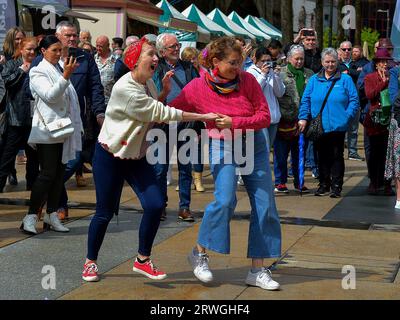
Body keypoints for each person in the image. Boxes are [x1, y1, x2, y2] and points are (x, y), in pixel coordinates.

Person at [81, 37, 217, 282]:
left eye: (156, 54)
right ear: (134, 61)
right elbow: (162, 114)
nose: (156, 59)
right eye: (150, 54)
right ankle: (90, 262)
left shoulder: (147, 84)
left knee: (155, 205)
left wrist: (163, 91)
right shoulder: (127, 89)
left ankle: (142, 259)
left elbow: (154, 110)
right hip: (111, 156)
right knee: (104, 212)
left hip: (136, 156)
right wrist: (205, 116)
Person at [169, 36, 282, 291]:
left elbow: (264, 116)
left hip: (254, 143)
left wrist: (234, 122)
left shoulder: (248, 80)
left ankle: (257, 269)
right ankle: (199, 253)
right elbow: (171, 111)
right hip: (223, 144)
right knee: (225, 200)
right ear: (216, 62)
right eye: (232, 63)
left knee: (265, 205)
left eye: (240, 62)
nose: (238, 68)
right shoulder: (197, 87)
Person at [28, 21, 106, 221]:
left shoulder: (84, 57)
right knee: (54, 169)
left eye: (75, 35)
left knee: (71, 162)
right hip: (53, 125)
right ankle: (55, 206)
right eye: (68, 35)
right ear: (57, 36)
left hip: (79, 121)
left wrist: (99, 113)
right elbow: (39, 94)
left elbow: (95, 88)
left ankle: (48, 203)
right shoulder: (42, 63)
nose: (72, 39)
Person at [20, 35, 83, 234]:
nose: (58, 54)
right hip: (47, 129)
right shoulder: (38, 71)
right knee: (47, 173)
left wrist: (64, 75)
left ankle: (52, 213)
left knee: (58, 175)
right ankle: (30, 216)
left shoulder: (59, 68)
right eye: (54, 50)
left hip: (64, 128)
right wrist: (65, 76)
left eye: (60, 50)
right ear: (43, 51)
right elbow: (50, 96)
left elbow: (70, 100)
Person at [298, 48, 359, 198]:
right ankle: (323, 183)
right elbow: (305, 100)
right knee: (321, 155)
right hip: (319, 125)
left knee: (337, 155)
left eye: (333, 61)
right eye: (327, 62)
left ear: (337, 62)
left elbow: (354, 100)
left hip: (338, 125)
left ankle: (336, 186)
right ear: (322, 62)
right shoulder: (313, 80)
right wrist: (303, 117)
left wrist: (347, 116)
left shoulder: (345, 80)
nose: (330, 65)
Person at [153, 33, 200, 222]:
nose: (177, 49)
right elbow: (154, 96)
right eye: (172, 46)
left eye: (178, 45)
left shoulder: (189, 67)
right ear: (162, 51)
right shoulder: (156, 68)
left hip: (186, 124)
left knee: (185, 168)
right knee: (159, 169)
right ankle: (160, 206)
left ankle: (184, 207)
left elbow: (198, 91)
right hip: (163, 124)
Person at [0, 37, 40, 193]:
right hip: (15, 119)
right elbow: (8, 83)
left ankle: (32, 187)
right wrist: (21, 71)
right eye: (28, 49)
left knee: (33, 157)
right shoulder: (12, 64)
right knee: (7, 156)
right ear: (21, 49)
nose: (31, 52)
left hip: (34, 119)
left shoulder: (38, 65)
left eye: (34, 49)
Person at [274, 45, 313, 193]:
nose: (299, 62)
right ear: (289, 58)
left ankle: (300, 181)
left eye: (301, 59)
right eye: (296, 59)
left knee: (299, 154)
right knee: (281, 154)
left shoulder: (309, 74)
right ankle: (280, 182)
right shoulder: (281, 73)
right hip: (284, 120)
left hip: (303, 120)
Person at [363, 48, 394, 196]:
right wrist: (383, 83)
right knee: (374, 153)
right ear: (376, 64)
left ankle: (387, 184)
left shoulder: (393, 76)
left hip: (389, 119)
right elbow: (370, 95)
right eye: (381, 62)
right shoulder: (370, 77)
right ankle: (374, 182)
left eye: (386, 61)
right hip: (374, 119)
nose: (384, 64)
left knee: (388, 154)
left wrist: (389, 80)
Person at [247, 46, 285, 148]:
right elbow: (253, 93)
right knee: (263, 149)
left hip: (273, 118)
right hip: (259, 118)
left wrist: (276, 76)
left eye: (269, 60)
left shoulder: (272, 72)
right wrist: (263, 75)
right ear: (256, 61)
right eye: (263, 61)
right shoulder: (250, 72)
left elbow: (280, 93)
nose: (266, 63)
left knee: (267, 151)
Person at [180, 46, 206, 192]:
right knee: (184, 148)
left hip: (199, 116)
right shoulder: (182, 73)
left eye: (193, 58)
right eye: (188, 59)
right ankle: (185, 179)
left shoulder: (204, 73)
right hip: (184, 114)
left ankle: (198, 179)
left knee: (198, 148)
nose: (191, 61)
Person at [338, 41, 365, 162]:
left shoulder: (358, 63)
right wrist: (356, 72)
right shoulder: (336, 64)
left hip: (355, 100)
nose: (347, 51)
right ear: (340, 50)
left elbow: (362, 76)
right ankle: (338, 151)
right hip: (340, 101)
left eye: (349, 49)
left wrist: (350, 72)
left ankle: (352, 152)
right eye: (344, 49)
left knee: (354, 128)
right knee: (340, 126)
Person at [385, 91, 400, 209]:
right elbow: (394, 99)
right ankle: (399, 199)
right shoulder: (395, 73)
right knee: (398, 164)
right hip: (399, 126)